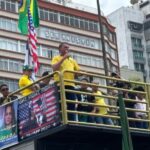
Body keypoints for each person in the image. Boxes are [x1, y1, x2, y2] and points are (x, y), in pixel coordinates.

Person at [51, 42, 80, 121]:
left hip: (70, 85)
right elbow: (54, 68)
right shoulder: (56, 58)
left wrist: (79, 74)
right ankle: (60, 121)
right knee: (60, 104)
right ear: (60, 49)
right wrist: (63, 58)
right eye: (65, 47)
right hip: (60, 84)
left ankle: (72, 122)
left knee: (71, 104)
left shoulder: (72, 60)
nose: (67, 49)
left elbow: (77, 73)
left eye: (68, 48)